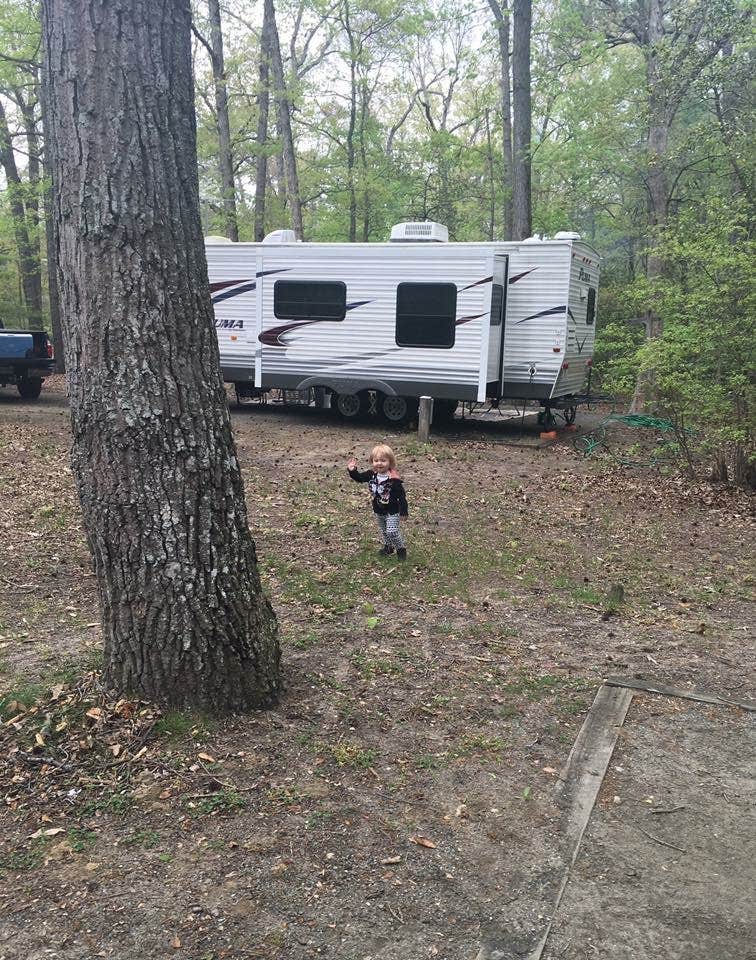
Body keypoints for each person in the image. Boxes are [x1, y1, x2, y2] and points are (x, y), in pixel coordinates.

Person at [347, 444, 408, 560]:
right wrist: (352, 471)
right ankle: (388, 547)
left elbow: (401, 496)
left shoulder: (394, 479)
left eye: (383, 461)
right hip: (378, 508)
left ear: (390, 462)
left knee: (392, 531)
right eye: (376, 460)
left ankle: (401, 549)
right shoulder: (371, 475)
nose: (379, 463)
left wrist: (404, 511)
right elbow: (359, 478)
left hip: (393, 510)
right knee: (384, 530)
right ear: (372, 461)